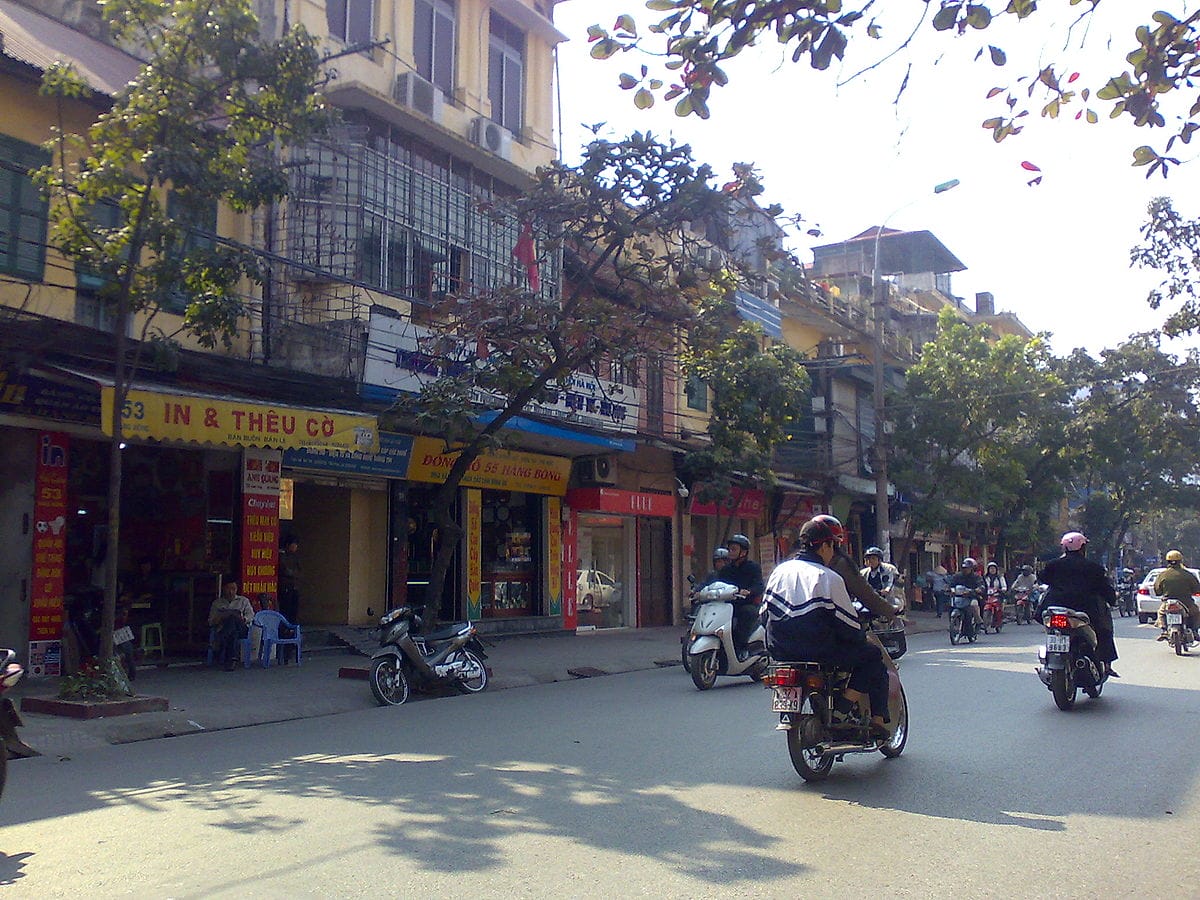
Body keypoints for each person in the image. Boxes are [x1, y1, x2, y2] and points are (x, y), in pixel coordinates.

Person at [762, 517, 891, 737]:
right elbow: (848, 625)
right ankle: (842, 711)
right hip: (819, 651)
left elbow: (764, 615)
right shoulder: (828, 577)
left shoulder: (779, 572)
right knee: (871, 656)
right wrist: (860, 636)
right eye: (834, 545)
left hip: (780, 650)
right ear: (825, 545)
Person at [1039, 532, 1119, 676]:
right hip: (1086, 610)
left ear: (1065, 548)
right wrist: (1112, 599)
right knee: (1104, 629)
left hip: (1056, 608)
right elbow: (1105, 588)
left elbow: (1044, 578)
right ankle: (1106, 663)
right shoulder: (1094, 568)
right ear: (1083, 548)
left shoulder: (1053, 565)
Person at [807, 515, 900, 624]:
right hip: (827, 627)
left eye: (873, 559)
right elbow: (865, 594)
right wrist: (890, 610)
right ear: (825, 546)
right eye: (868, 559)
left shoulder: (786, 569)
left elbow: (885, 587)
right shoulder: (839, 567)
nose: (870, 562)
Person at [721, 534, 765, 660]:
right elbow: (715, 582)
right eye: (729, 549)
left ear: (744, 552)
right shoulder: (726, 570)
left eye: (734, 549)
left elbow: (759, 585)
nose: (730, 552)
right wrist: (700, 591)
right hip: (728, 605)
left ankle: (743, 647)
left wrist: (749, 591)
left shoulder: (753, 567)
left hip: (747, 604)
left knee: (746, 613)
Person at [209, 578, 255, 670]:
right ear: (223, 589)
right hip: (223, 628)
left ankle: (219, 646)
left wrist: (243, 618)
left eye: (233, 589)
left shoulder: (243, 601)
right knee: (232, 628)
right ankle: (232, 659)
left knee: (233, 618)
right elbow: (211, 621)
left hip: (241, 628)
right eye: (228, 589)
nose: (231, 592)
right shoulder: (217, 603)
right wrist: (221, 617)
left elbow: (251, 616)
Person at [1153, 549, 1200, 638]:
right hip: (1186, 602)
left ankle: (1164, 630)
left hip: (1168, 602)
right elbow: (1197, 589)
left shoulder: (1162, 574)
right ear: (1180, 561)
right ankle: (1195, 631)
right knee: (1196, 613)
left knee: (1161, 613)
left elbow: (1157, 590)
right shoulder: (1188, 574)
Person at [949, 558, 984, 632]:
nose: (965, 570)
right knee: (951, 606)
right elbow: (951, 584)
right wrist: (952, 590)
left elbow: (981, 586)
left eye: (967, 568)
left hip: (972, 597)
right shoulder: (957, 576)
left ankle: (978, 621)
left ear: (971, 568)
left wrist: (976, 590)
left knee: (974, 605)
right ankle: (953, 625)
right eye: (964, 568)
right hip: (959, 597)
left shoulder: (976, 577)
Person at [278, 535, 302, 623]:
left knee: (294, 609)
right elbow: (284, 570)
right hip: (285, 587)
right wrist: (292, 574)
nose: (295, 546)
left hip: (295, 586)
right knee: (286, 608)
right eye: (293, 544)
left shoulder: (296, 557)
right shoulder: (282, 555)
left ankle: (293, 627)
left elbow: (300, 571)